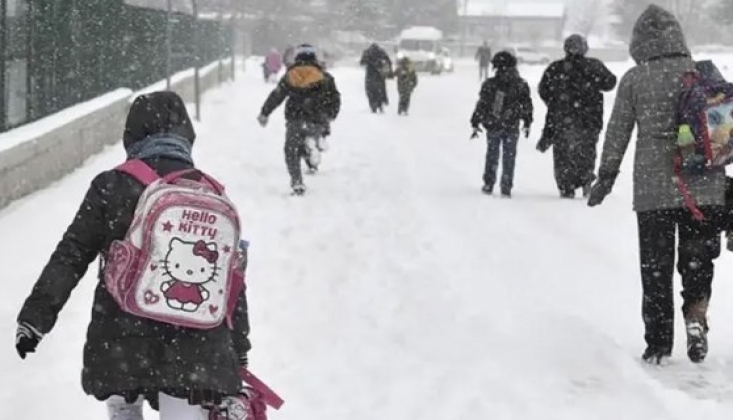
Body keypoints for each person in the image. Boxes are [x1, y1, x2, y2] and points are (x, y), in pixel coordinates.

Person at [14, 91, 251, 419]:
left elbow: (71, 254)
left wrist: (35, 318)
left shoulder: (111, 186)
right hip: (195, 347)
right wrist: (239, 351)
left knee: (123, 401)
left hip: (121, 338)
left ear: (132, 134)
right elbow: (231, 281)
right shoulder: (209, 193)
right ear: (186, 136)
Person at [587, 5, 727, 365]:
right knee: (697, 261)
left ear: (639, 41)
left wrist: (606, 176)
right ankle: (696, 318)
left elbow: (617, 132)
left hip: (654, 191)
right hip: (704, 187)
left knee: (656, 269)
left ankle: (658, 344)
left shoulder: (635, 79)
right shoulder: (701, 74)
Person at [538, 34, 617, 199]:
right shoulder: (594, 66)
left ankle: (566, 185)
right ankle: (586, 178)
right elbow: (610, 82)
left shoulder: (556, 68)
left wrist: (555, 102)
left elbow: (543, 90)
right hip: (590, 119)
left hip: (562, 119)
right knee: (587, 151)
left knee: (562, 153)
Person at [257, 44, 341, 196]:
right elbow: (334, 98)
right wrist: (330, 115)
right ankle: (314, 145)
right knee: (312, 136)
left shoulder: (290, 75)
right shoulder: (325, 77)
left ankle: (297, 181)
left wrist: (265, 113)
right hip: (317, 119)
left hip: (295, 117)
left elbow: (277, 95)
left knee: (291, 150)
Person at [470, 51, 533, 198]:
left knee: (492, 154)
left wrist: (476, 121)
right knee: (509, 156)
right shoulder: (520, 85)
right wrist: (527, 121)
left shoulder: (490, 84)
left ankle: (489, 182)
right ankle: (506, 185)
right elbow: (527, 105)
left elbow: (482, 104)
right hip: (512, 125)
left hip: (494, 124)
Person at [360, 43, 393, 113]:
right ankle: (380, 104)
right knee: (380, 90)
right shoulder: (381, 52)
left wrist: (369, 61)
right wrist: (388, 71)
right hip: (379, 75)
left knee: (370, 91)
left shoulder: (367, 52)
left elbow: (362, 62)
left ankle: (373, 105)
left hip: (370, 75)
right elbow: (389, 62)